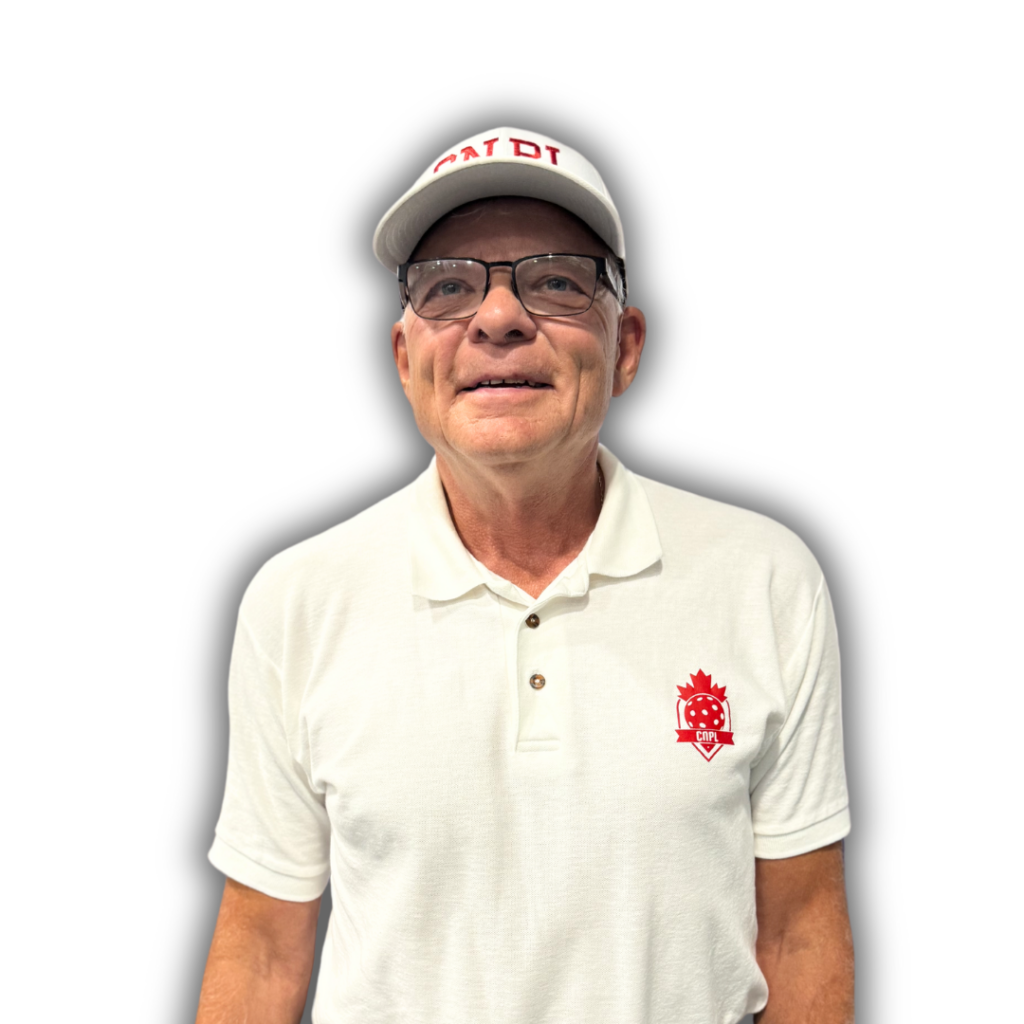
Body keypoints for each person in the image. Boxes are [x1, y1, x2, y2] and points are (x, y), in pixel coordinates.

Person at [196, 127, 854, 1024]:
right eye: (448, 287)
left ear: (626, 347)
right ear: (405, 361)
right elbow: (264, 949)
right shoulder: (300, 601)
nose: (499, 318)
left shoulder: (763, 581)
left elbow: (801, 928)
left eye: (556, 282)